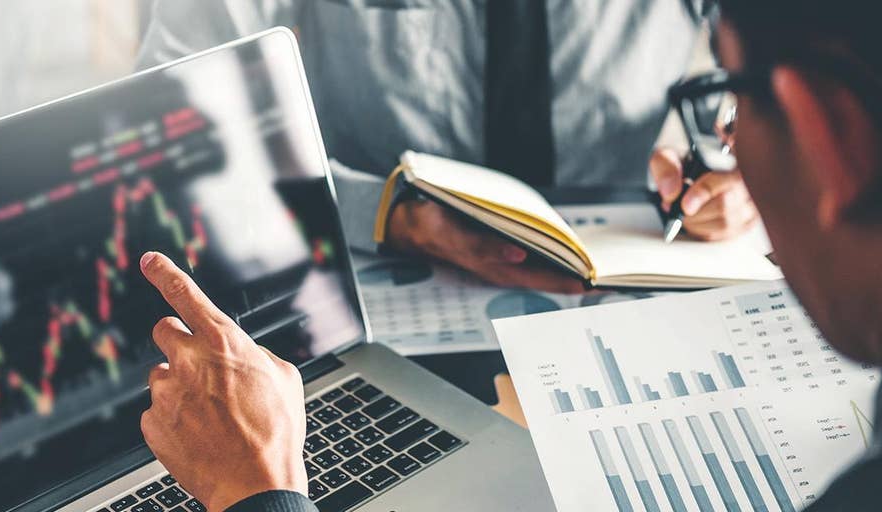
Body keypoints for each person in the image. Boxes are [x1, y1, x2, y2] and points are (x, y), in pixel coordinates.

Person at [136, 0, 882, 509]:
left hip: (629, 284)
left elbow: (801, 33)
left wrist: (729, 156)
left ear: (829, 136)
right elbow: (172, 116)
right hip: (360, 295)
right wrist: (383, 210)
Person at [137, 0, 758, 293]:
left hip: (630, 267)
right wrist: (384, 213)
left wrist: (749, 160)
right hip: (367, 266)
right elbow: (172, 125)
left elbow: (788, 65)